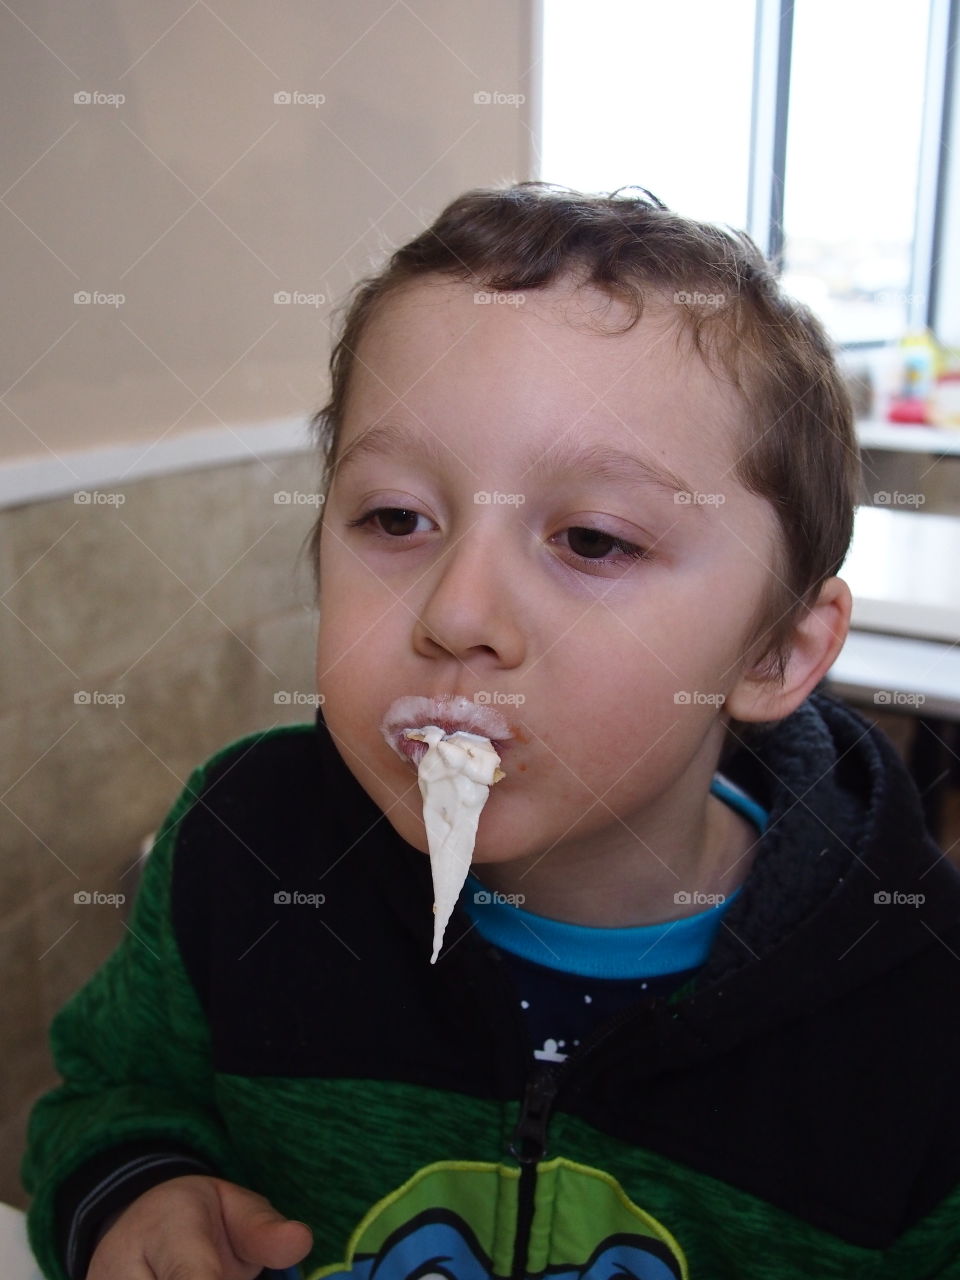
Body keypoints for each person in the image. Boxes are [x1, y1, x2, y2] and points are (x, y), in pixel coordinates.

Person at [22, 183, 960, 1280]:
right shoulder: (240, 850)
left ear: (777, 652)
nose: (456, 612)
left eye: (596, 541)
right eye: (395, 518)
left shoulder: (918, 1021)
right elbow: (107, 1095)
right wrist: (136, 1189)